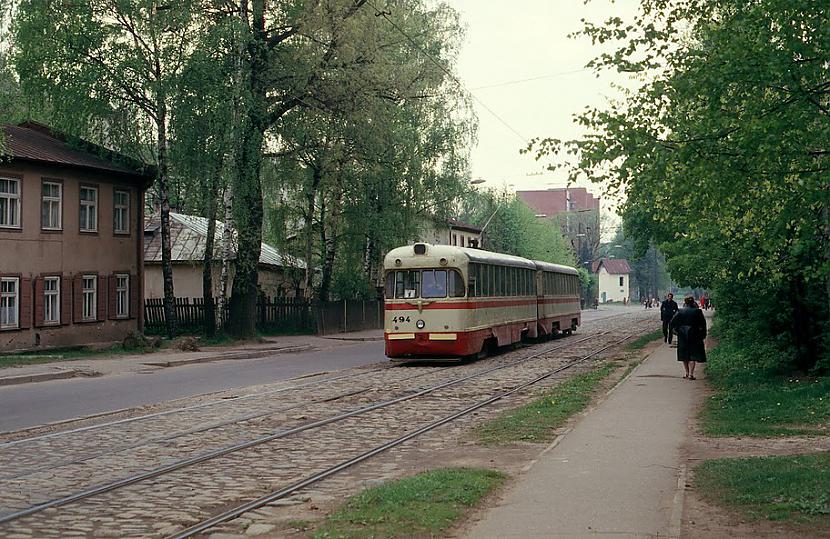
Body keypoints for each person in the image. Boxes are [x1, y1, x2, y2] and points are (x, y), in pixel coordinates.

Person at [670, 295, 707, 379]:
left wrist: (676, 330)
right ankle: (691, 374)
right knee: (693, 354)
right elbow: (703, 324)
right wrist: (703, 334)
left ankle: (686, 373)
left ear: (685, 302)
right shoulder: (697, 312)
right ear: (693, 302)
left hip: (682, 334)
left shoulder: (680, 311)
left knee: (684, 354)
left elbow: (672, 322)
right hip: (694, 334)